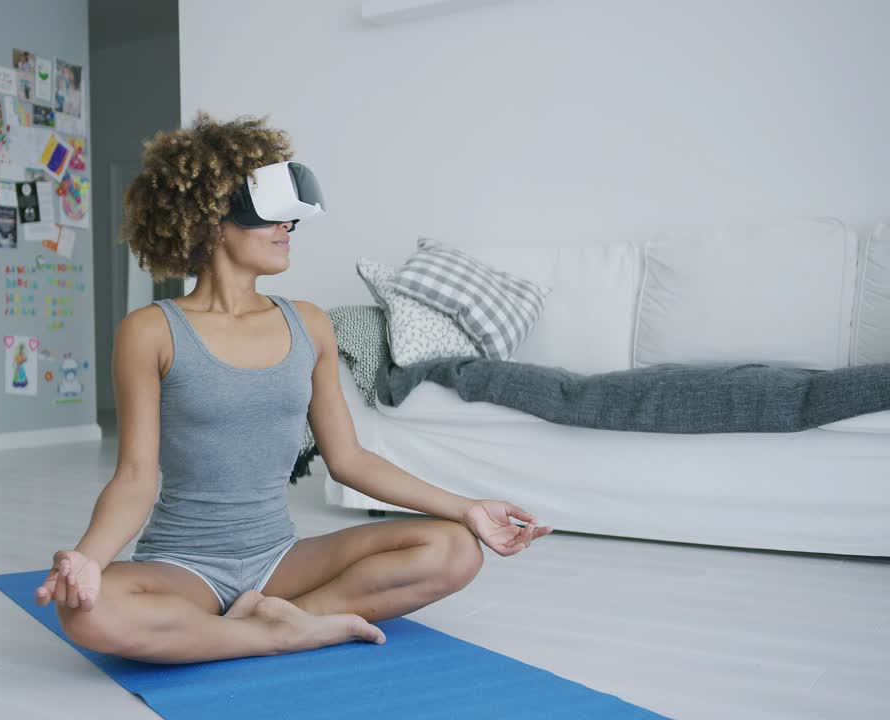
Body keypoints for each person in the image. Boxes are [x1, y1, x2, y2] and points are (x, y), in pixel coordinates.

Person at [35, 113, 552, 664]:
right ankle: (282, 631)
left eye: (290, 219)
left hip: (280, 559)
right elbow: (135, 478)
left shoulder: (309, 324)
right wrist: (89, 559)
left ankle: (272, 618)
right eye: (269, 216)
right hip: (183, 566)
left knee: (455, 550)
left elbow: (349, 459)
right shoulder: (151, 331)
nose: (287, 228)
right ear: (211, 219)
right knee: (86, 610)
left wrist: (467, 509)